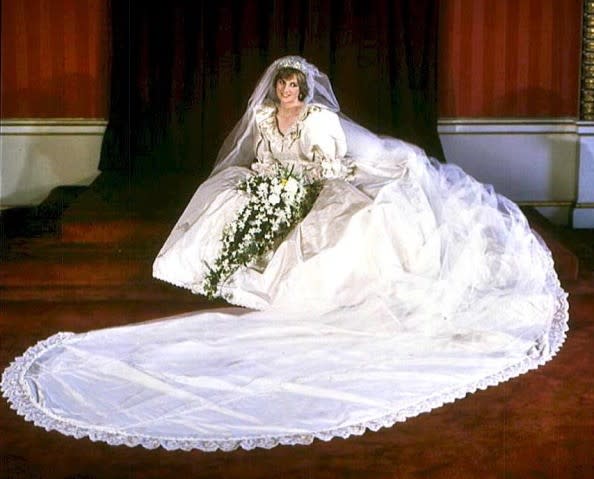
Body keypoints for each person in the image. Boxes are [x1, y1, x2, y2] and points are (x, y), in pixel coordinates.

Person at [1, 56, 568, 452]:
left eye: (295, 88)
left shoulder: (321, 121)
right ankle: (231, 271)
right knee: (228, 196)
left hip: (345, 173)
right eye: (283, 88)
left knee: (352, 221)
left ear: (306, 90)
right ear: (276, 91)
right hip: (295, 181)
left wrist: (297, 187)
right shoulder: (266, 119)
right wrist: (268, 186)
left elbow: (327, 167)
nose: (288, 95)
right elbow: (263, 159)